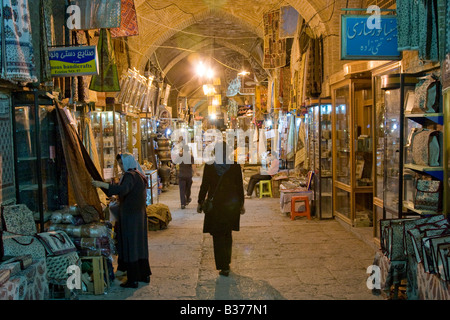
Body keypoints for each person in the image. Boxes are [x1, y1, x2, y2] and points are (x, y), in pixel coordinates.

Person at [92, 153, 151, 288]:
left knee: (131, 246)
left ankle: (133, 280)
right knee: (139, 245)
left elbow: (123, 189)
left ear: (128, 163)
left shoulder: (130, 175)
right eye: (119, 164)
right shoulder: (139, 175)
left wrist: (102, 184)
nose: (120, 167)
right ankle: (143, 274)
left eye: (121, 164)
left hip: (131, 217)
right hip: (139, 216)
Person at [197, 142, 245, 277]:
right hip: (231, 205)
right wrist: (241, 203)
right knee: (227, 233)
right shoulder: (234, 166)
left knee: (217, 235)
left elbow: (204, 185)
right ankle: (227, 262)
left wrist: (200, 201)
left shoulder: (210, 166)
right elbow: (239, 186)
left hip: (216, 206)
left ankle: (223, 266)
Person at [178, 144, 196, 209]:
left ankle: (183, 204)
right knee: (188, 189)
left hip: (181, 175)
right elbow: (193, 165)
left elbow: (174, 164)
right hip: (188, 175)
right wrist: (195, 172)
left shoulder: (180, 156)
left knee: (182, 190)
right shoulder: (191, 156)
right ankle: (188, 198)